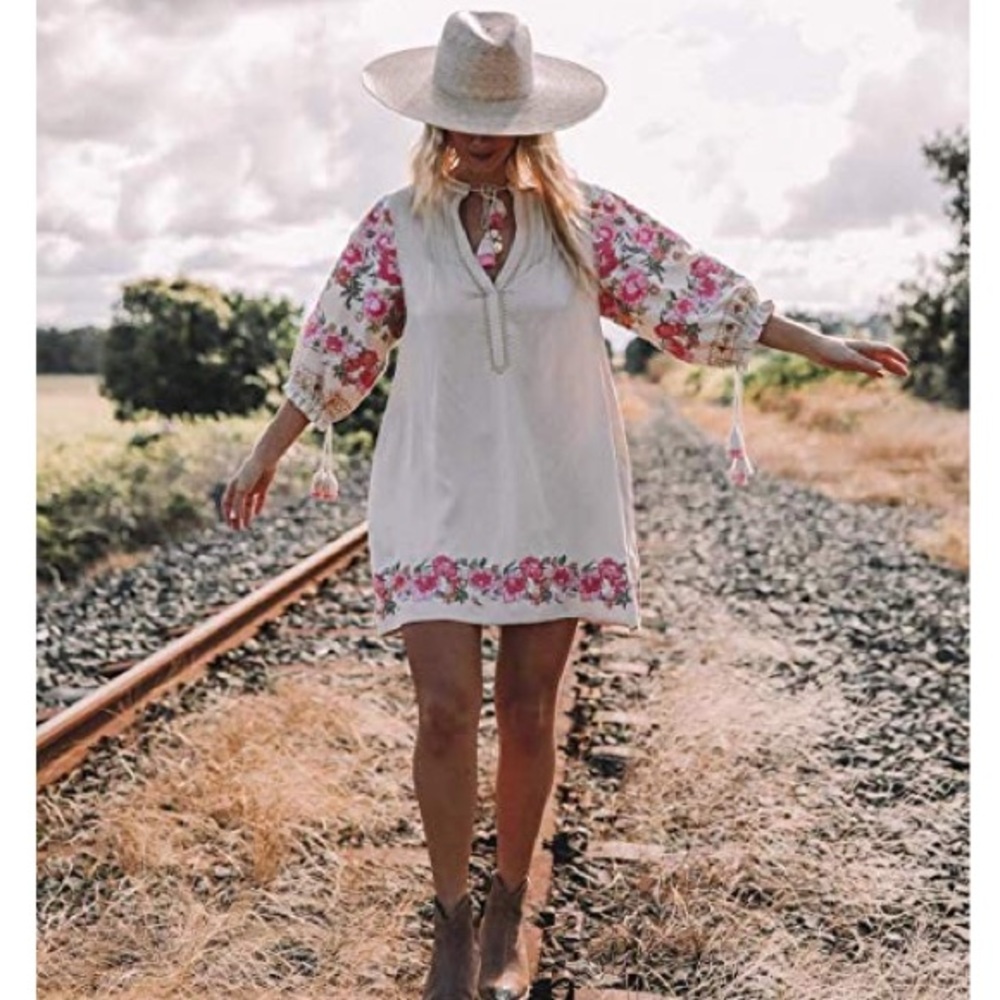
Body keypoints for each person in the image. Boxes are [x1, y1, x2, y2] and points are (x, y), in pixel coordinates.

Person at [221, 10, 909, 999]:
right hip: (436, 487)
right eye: (461, 114)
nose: (477, 135)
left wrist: (824, 345)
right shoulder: (393, 226)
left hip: (554, 487)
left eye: (496, 116)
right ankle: (450, 919)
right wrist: (265, 453)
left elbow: (699, 294)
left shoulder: (588, 222)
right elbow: (335, 349)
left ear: (531, 119)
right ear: (434, 117)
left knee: (528, 712)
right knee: (444, 711)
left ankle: (508, 905)